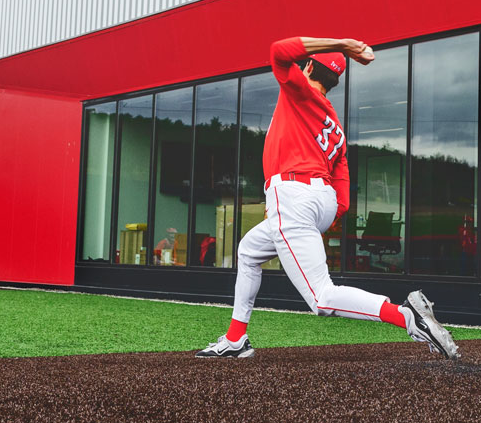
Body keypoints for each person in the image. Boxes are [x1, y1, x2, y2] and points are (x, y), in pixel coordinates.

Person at [196, 36, 461, 360]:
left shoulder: (299, 90)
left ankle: (407, 316)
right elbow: (343, 186)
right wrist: (322, 213)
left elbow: (278, 51)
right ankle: (236, 339)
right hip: (319, 198)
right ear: (334, 82)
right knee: (249, 251)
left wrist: (343, 43)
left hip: (294, 193)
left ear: (308, 66)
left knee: (322, 297)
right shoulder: (333, 123)